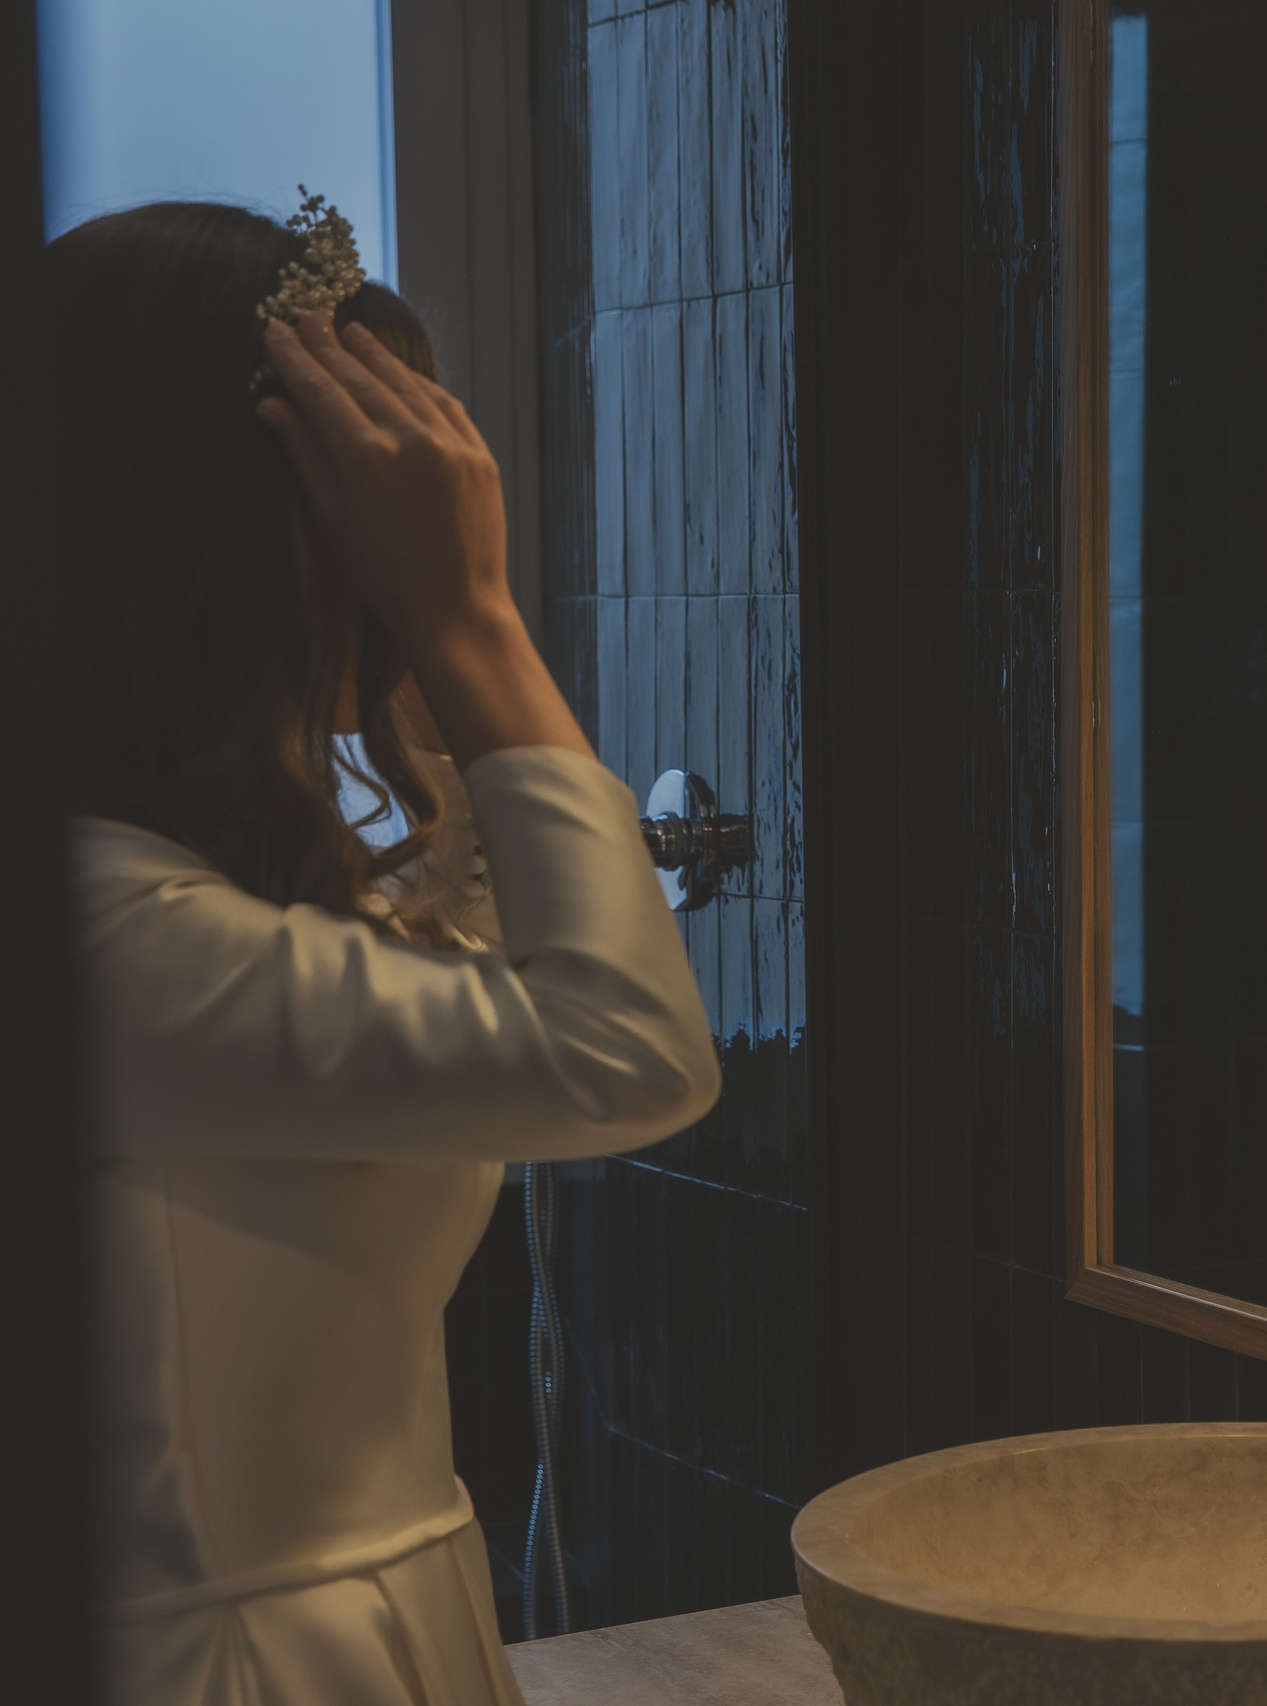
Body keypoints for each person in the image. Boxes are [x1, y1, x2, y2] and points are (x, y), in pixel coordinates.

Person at [51, 199, 720, 1704]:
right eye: (349, 495)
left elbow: (487, 957)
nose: (398, 532)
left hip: (380, 1616)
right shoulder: (96, 931)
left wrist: (413, 646)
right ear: (232, 528)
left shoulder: (197, 882)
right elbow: (621, 1045)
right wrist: (464, 611)